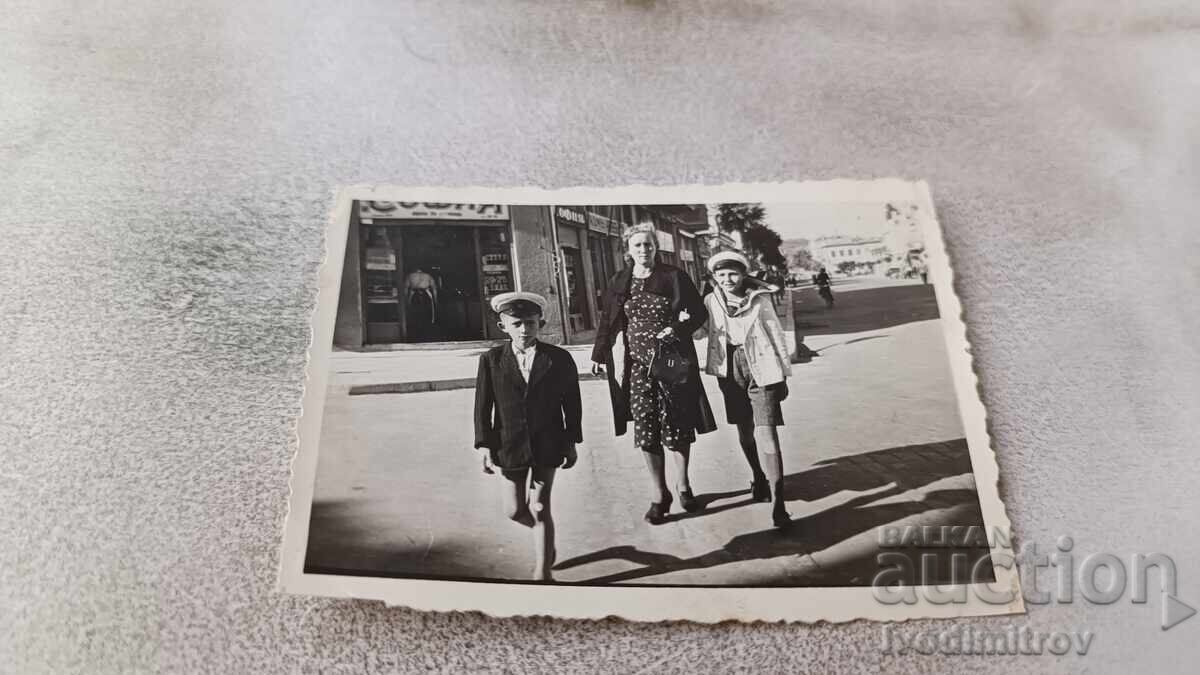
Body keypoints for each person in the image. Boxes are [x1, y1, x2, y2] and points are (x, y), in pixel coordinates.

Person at [591, 223, 717, 525]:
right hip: (637, 366)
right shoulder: (619, 281)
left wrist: (676, 329)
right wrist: (599, 354)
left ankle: (683, 485)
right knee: (646, 427)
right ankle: (660, 494)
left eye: (648, 245)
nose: (643, 250)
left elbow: (698, 312)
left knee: (677, 424)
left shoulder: (674, 276)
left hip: (672, 362)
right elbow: (609, 320)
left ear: (655, 247)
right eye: (637, 245)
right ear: (628, 250)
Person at [473, 292, 582, 581]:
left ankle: (542, 572)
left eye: (531, 323)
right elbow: (483, 406)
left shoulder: (558, 358)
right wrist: (484, 446)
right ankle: (543, 538)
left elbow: (572, 403)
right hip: (509, 446)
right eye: (517, 324)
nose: (524, 330)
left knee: (540, 507)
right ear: (503, 327)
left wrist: (571, 442)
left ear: (540, 324)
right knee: (513, 510)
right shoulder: (492, 360)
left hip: (548, 443)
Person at [700, 251, 793, 528]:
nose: (727, 279)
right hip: (729, 370)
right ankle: (758, 477)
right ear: (714, 277)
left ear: (743, 274)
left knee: (768, 434)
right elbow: (701, 331)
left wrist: (783, 374)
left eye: (733, 273)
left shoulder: (760, 299)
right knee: (744, 430)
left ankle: (779, 504)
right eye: (721, 274)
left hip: (762, 366)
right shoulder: (710, 301)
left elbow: (776, 334)